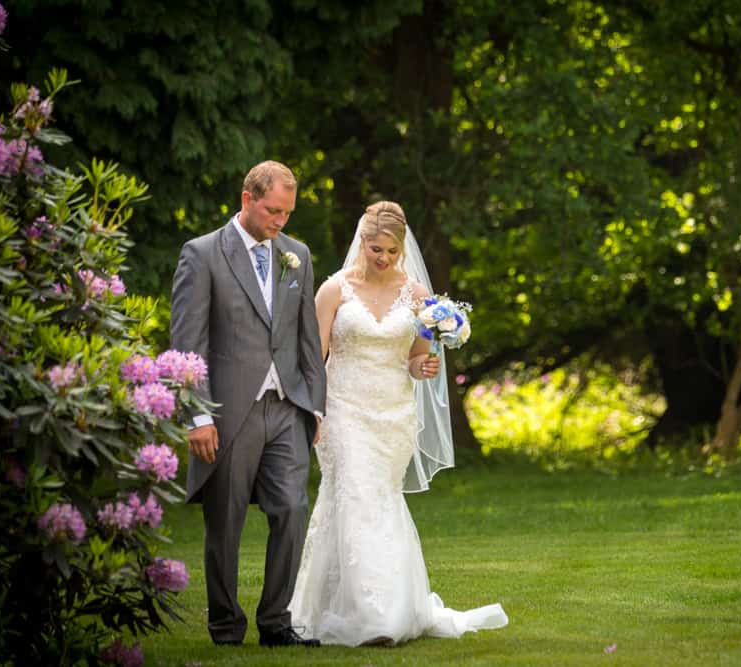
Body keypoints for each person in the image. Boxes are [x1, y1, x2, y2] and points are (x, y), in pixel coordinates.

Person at [288, 201, 508, 645]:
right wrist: (311, 411)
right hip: (344, 407)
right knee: (353, 495)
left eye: (390, 251)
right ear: (362, 242)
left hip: (393, 413)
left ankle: (387, 606)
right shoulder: (334, 291)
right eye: (375, 249)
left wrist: (423, 368)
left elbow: (414, 360)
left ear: (401, 248)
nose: (383, 258)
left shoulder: (419, 298)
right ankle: (368, 617)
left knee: (380, 501)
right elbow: (314, 358)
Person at [170, 161, 327, 647]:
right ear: (247, 198)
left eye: (287, 213)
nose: (281, 221)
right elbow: (187, 341)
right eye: (273, 211)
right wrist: (196, 414)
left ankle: (277, 623)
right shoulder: (202, 254)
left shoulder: (296, 255)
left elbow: (306, 341)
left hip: (287, 408)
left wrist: (315, 407)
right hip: (227, 409)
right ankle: (225, 626)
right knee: (226, 522)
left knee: (292, 508)